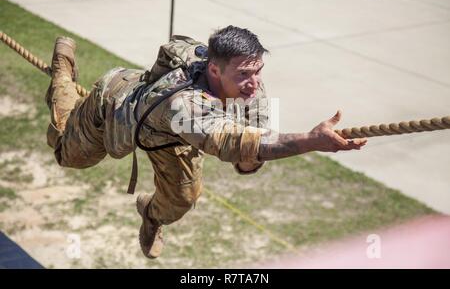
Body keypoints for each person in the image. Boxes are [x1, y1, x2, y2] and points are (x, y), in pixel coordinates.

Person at [45, 25, 367, 259]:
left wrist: (253, 158)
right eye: (243, 74)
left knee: (183, 198)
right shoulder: (182, 104)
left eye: (258, 71)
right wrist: (312, 140)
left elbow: (246, 155)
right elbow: (231, 143)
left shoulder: (250, 88)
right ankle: (63, 71)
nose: (254, 84)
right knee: (69, 155)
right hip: (113, 103)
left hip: (169, 138)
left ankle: (151, 215)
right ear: (214, 68)